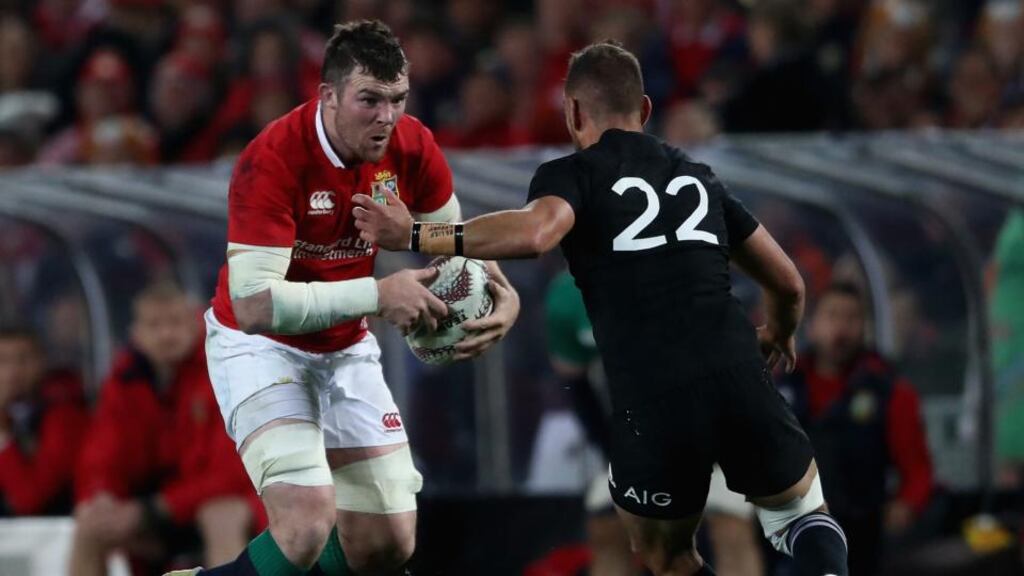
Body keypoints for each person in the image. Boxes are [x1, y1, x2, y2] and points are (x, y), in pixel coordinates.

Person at [355, 41, 848, 576]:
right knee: (801, 511)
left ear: (572, 112)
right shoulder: (698, 177)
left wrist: (418, 234)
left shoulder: (574, 173)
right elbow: (790, 284)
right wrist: (778, 330)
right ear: (645, 111)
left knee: (667, 554)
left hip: (654, 394)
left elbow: (537, 232)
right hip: (737, 368)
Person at [182, 19, 520, 576]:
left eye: (397, 99)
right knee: (307, 522)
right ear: (329, 96)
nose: (386, 117)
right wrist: (379, 293)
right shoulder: (271, 159)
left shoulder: (412, 144)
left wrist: (502, 296)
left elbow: (459, 244)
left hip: (343, 347)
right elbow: (255, 306)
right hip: (260, 348)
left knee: (387, 542)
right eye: (370, 100)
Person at [70, 283, 264, 576]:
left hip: (221, 503)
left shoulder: (223, 369)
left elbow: (232, 475)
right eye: (154, 325)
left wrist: (152, 509)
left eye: (175, 322)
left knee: (221, 515)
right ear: (136, 334)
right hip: (157, 508)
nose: (166, 334)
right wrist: (101, 495)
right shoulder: (124, 381)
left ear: (196, 323)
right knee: (91, 523)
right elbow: (101, 455)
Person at [775, 282, 934, 575]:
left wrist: (905, 507)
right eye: (833, 316)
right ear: (811, 326)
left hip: (862, 531)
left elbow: (917, 470)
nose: (842, 329)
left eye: (852, 318)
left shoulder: (888, 390)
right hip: (789, 532)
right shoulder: (783, 384)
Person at [0, 326, 89, 516]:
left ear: (42, 362)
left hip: (45, 532)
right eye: (2, 361)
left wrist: (3, 436)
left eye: (23, 359)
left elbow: (30, 500)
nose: (13, 371)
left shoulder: (64, 415)